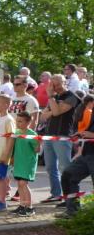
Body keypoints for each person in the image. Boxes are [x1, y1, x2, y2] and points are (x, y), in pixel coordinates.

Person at [39, 74, 79, 203]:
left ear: (65, 83)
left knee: (65, 167)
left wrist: (51, 101)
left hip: (63, 135)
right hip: (49, 135)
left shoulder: (71, 97)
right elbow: (42, 117)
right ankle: (56, 194)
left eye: (57, 84)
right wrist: (53, 107)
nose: (55, 87)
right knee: (50, 167)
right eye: (53, 84)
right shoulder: (54, 98)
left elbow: (55, 113)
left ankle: (70, 198)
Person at [60, 110, 94, 217]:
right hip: (87, 153)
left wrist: (92, 134)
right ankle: (73, 211)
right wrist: (81, 135)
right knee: (68, 176)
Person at [11, 112, 41, 216]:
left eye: (20, 121)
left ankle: (29, 207)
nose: (18, 123)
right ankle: (22, 205)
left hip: (28, 163)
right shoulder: (17, 132)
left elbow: (37, 150)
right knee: (19, 184)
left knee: (23, 184)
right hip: (19, 162)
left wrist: (39, 144)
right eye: (17, 121)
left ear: (28, 122)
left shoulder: (32, 134)